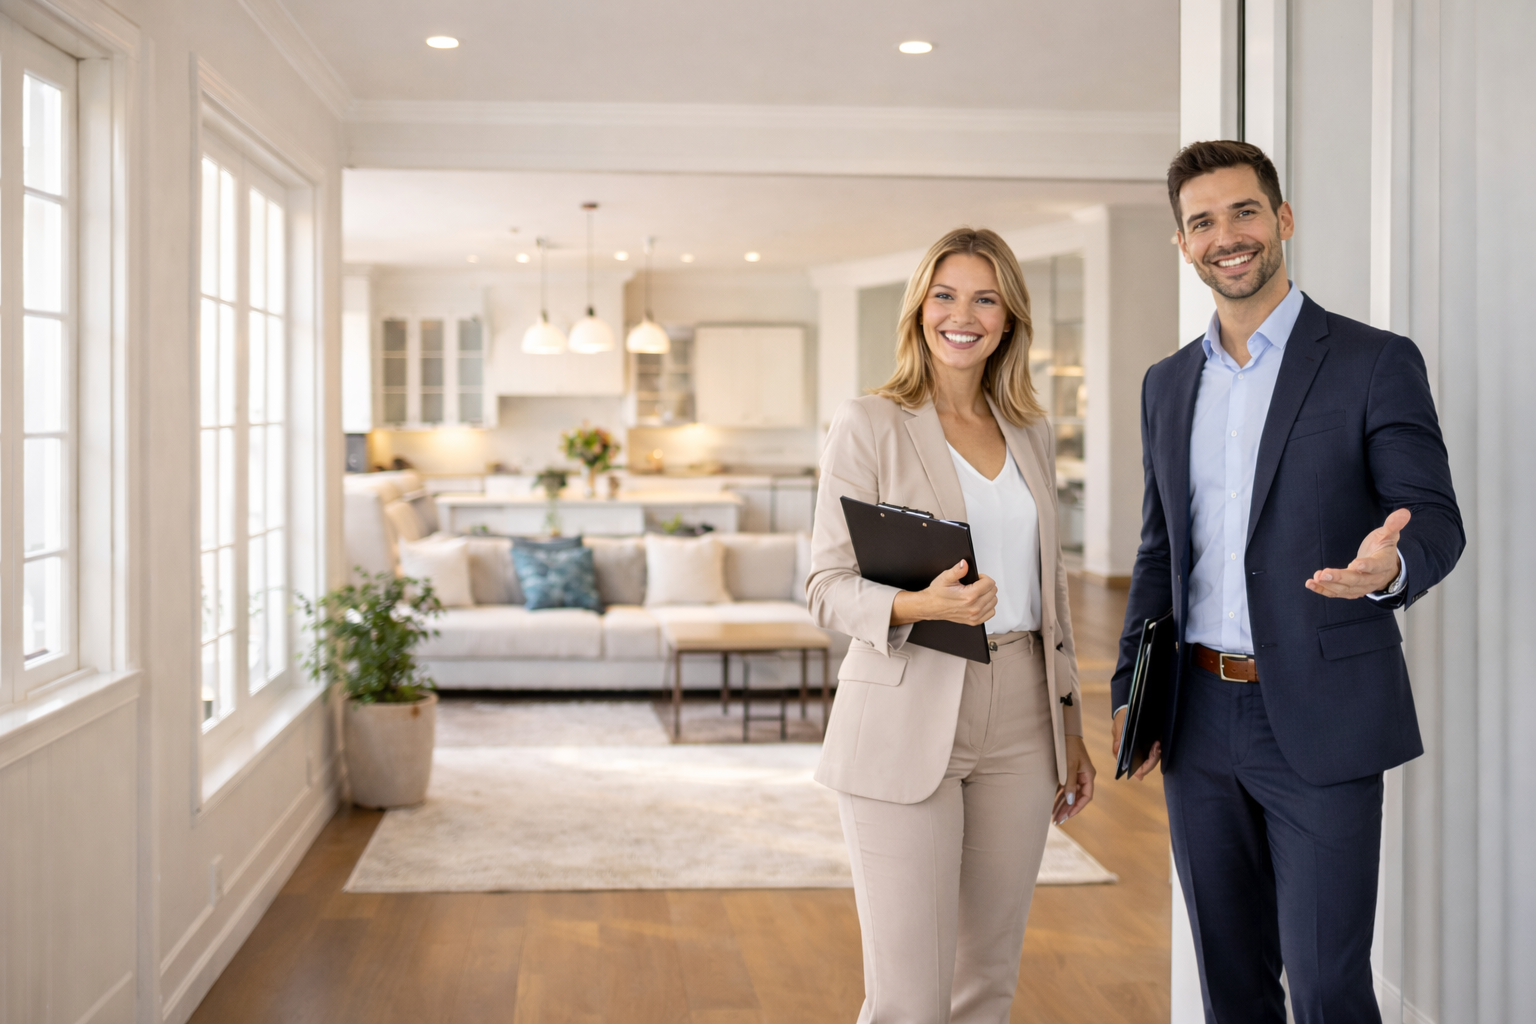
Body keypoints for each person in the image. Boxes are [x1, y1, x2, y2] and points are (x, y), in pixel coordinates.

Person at [1112, 140, 1463, 1023]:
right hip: (1196, 717)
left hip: (1322, 715)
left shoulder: (1373, 361)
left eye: (1244, 212)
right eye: (1202, 222)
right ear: (1182, 245)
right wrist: (1133, 690)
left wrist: (1392, 568)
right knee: (1229, 984)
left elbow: (1434, 516)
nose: (1226, 236)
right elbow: (1160, 554)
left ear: (1283, 221)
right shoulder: (1166, 386)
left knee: (1326, 986)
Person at [808, 227, 1096, 1024]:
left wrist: (1069, 728)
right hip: (907, 706)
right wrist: (919, 606)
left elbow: (1054, 591)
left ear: (1008, 318)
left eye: (984, 298)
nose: (961, 315)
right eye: (944, 295)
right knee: (910, 995)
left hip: (1021, 716)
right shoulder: (870, 422)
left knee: (986, 983)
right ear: (919, 310)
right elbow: (824, 586)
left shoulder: (1030, 432)